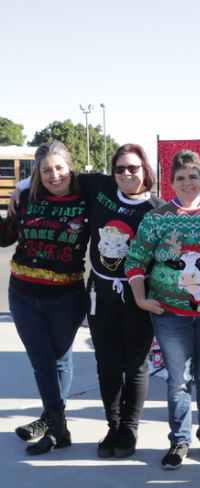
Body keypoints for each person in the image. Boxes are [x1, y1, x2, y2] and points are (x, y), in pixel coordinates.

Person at [13, 143, 164, 458]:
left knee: (135, 366)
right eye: (119, 168)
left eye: (132, 167)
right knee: (106, 366)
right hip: (99, 296)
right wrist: (22, 185)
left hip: (137, 298)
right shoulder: (98, 188)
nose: (125, 173)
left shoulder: (159, 210)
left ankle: (129, 429)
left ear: (145, 170)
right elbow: (59, 171)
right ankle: (112, 426)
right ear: (112, 172)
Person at [125, 149, 200, 470]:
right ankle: (179, 440)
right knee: (178, 380)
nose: (187, 182)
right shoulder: (156, 219)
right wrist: (142, 299)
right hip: (170, 315)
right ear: (171, 182)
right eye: (180, 178)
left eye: (193, 176)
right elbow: (135, 260)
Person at [0, 141, 90, 455]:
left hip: (66, 296)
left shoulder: (86, 197)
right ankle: (56, 426)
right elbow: (5, 237)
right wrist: (21, 188)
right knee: (42, 364)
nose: (54, 176)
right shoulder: (26, 197)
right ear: (38, 174)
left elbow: (125, 188)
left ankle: (51, 422)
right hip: (23, 296)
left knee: (60, 360)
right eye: (46, 170)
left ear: (70, 168)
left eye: (59, 168)